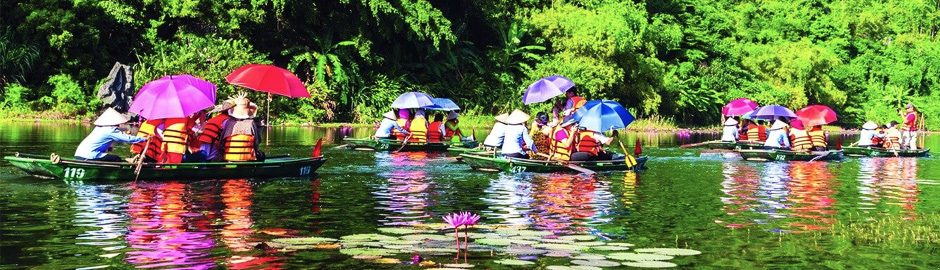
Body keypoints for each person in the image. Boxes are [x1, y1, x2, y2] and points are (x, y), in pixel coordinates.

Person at [74, 108, 147, 162]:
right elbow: (128, 139)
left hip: (79, 155)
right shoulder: (110, 130)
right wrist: (144, 139)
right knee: (116, 159)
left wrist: (109, 147)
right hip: (89, 156)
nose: (119, 124)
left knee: (110, 157)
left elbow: (107, 140)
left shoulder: (98, 128)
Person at [222, 96, 262, 162]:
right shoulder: (251, 123)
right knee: (261, 155)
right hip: (247, 159)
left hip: (229, 158)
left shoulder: (228, 122)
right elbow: (257, 142)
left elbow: (222, 143)